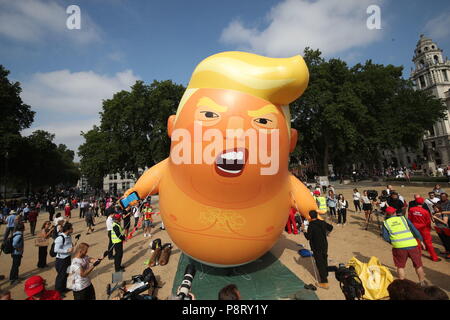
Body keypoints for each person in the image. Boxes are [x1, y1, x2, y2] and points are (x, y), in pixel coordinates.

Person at [382, 206, 427, 286]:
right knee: (418, 265)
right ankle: (422, 282)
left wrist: (393, 242)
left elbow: (385, 237)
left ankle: (403, 285)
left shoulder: (385, 223)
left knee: (400, 266)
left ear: (387, 214)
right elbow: (414, 230)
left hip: (399, 247)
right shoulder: (403, 219)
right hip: (412, 244)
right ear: (395, 212)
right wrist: (420, 239)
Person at [301, 210, 333, 289]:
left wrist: (303, 230)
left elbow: (308, 237)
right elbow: (331, 227)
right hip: (324, 244)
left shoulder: (311, 225)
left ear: (310, 217)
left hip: (316, 246)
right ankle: (325, 274)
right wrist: (326, 233)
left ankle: (324, 282)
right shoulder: (322, 222)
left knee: (320, 263)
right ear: (316, 215)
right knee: (324, 258)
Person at [408, 197, 439, 262]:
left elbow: (409, 220)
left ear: (416, 202)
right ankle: (434, 257)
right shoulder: (425, 211)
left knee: (417, 241)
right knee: (428, 243)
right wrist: (429, 229)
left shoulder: (411, 209)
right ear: (422, 203)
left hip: (415, 228)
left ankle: (418, 255)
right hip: (424, 228)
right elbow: (428, 222)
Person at [54, 222, 74, 296]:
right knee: (61, 275)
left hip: (67, 258)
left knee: (66, 274)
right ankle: (58, 292)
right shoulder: (60, 238)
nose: (73, 229)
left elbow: (69, 245)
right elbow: (56, 249)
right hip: (61, 260)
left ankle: (63, 288)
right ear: (68, 229)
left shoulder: (69, 236)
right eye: (71, 228)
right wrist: (66, 251)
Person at [433, 194, 450, 259]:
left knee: (447, 240)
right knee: (443, 240)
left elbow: (445, 222)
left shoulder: (444, 214)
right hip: (439, 229)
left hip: (445, 228)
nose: (435, 209)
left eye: (436, 208)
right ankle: (447, 250)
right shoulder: (436, 212)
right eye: (434, 208)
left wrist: (436, 218)